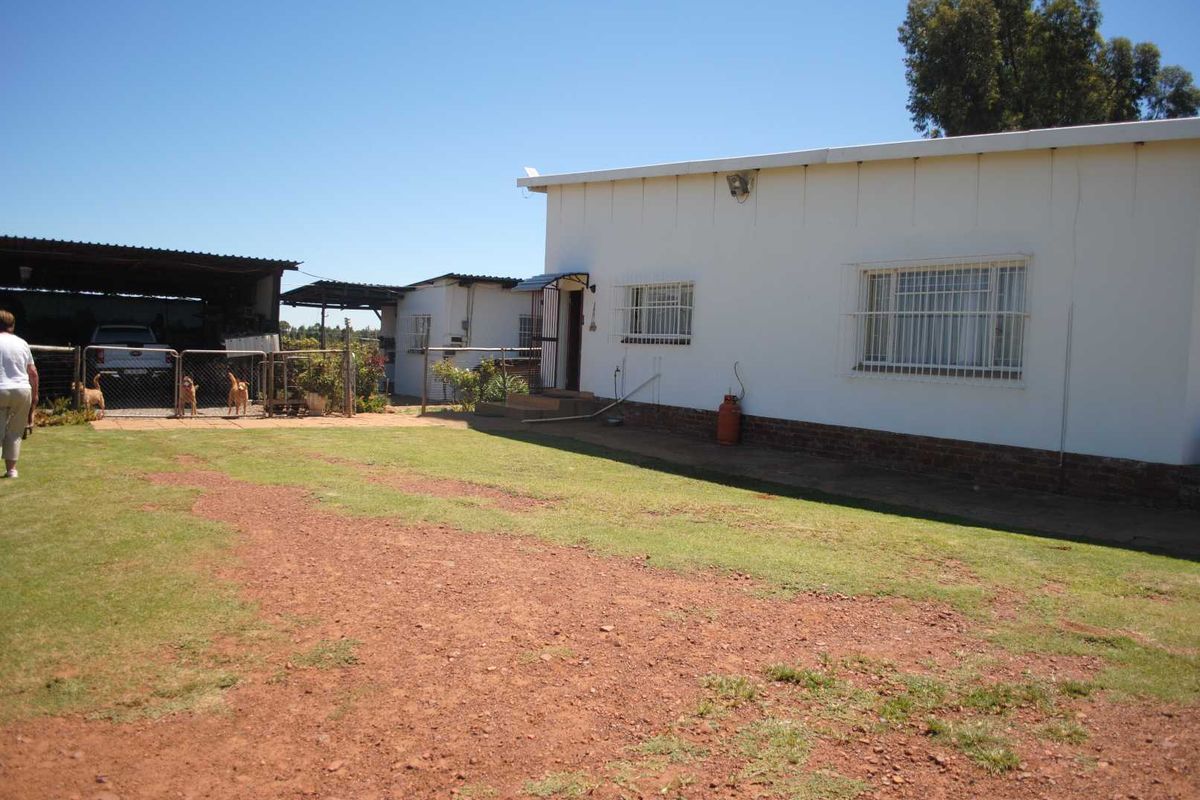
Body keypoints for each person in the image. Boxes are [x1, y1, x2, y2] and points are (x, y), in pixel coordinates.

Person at [0, 309, 38, 479]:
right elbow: (33, 372)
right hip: (22, 390)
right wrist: (35, 396)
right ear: (12, 325)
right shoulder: (22, 343)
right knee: (15, 431)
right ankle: (11, 470)